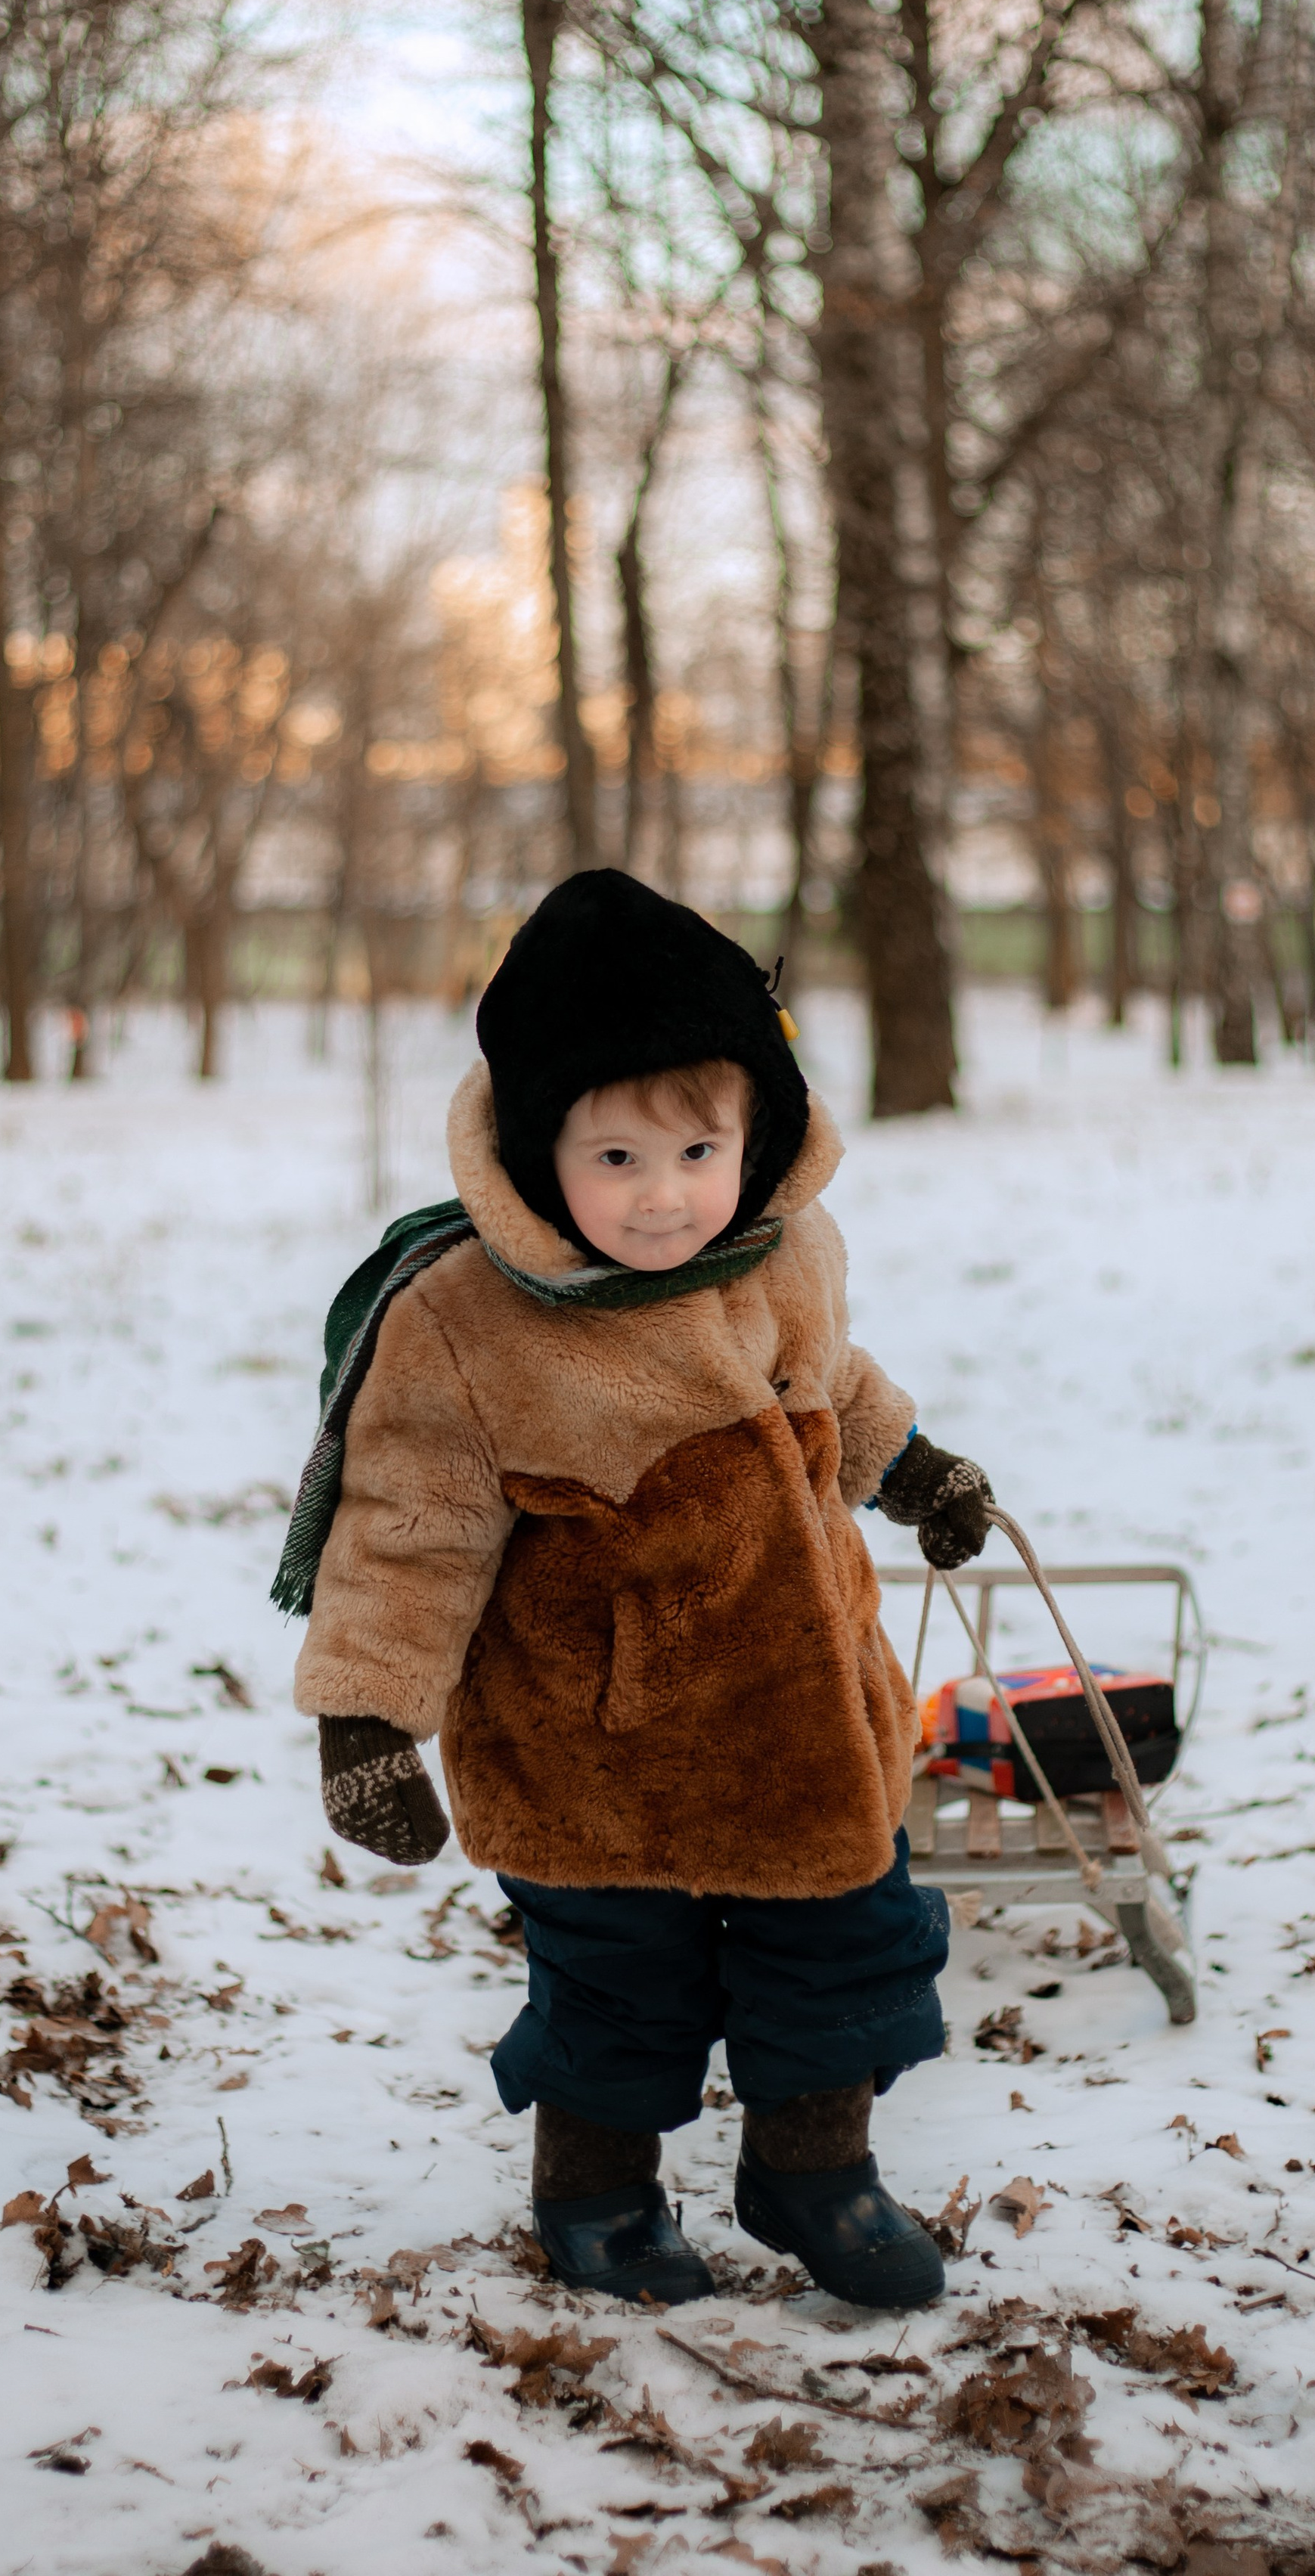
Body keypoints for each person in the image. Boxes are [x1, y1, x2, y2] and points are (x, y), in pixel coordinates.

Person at [285, 871, 995, 2308]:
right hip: (593, 1742)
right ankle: (597, 2192)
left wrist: (909, 1468)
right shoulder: (469, 1323)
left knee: (848, 1946)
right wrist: (366, 1721)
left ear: (758, 1130)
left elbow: (827, 1385)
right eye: (614, 1157)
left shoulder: (785, 1252)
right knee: (619, 1985)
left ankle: (817, 2170)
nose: (663, 1195)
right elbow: (408, 1528)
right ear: (543, 1152)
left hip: (805, 1712)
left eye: (694, 1147)